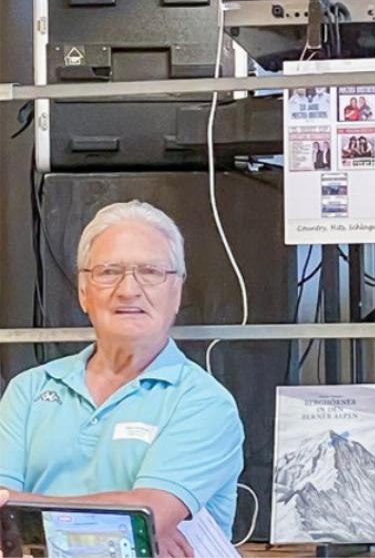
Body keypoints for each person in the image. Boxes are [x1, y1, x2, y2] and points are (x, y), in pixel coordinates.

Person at [0, 201, 244, 557]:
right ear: (84, 291)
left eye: (150, 272)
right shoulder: (29, 389)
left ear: (176, 292)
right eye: (109, 271)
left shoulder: (204, 403)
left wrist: (20, 513)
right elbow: (129, 527)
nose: (128, 289)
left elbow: (145, 516)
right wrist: (121, 525)